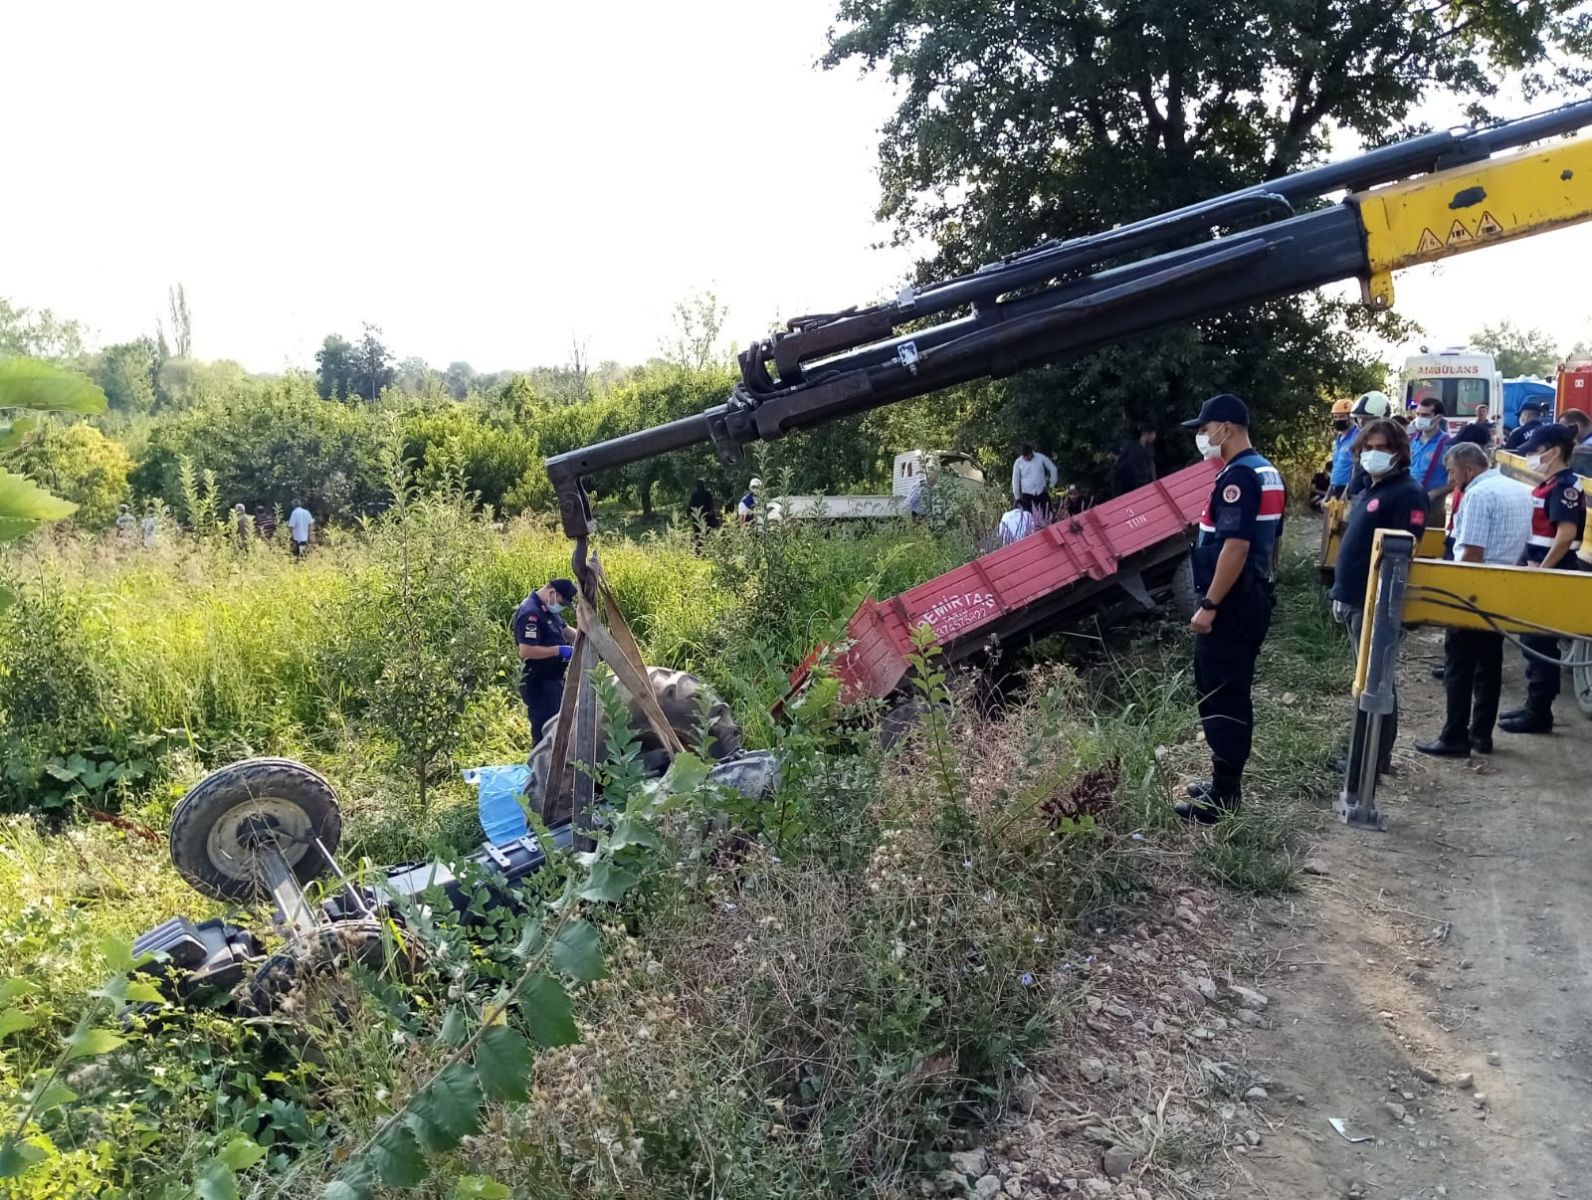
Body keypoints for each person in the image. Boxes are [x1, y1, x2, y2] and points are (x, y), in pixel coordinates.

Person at [1174, 394, 1284, 823]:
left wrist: (1209, 605)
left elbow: (1235, 546)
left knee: (1222, 695)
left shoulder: (1239, 477)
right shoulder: (1266, 471)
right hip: (1252, 597)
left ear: (1226, 428)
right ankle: (1223, 781)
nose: (1202, 437)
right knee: (1230, 691)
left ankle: (1223, 796)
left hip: (1232, 605)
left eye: (1205, 429)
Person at [1414, 442, 1532, 758]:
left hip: (1474, 590)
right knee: (1489, 664)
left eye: (1452, 473)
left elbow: (1472, 553)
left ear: (1469, 469)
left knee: (1459, 665)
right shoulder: (1518, 489)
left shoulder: (1479, 495)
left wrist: (1454, 595)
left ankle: (1454, 737)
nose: (1452, 480)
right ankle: (1481, 734)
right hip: (1504, 587)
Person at [1328, 419, 1428, 777]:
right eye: (1368, 446)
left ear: (1399, 452)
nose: (1374, 454)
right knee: (1367, 680)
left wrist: (1376, 602)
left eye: (1383, 448)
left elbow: (1401, 555)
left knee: (1376, 682)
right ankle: (1366, 751)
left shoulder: (1407, 493)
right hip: (1356, 598)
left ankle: (1371, 758)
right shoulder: (1373, 487)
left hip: (1376, 603)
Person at [1499, 423, 1586, 735]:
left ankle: (1539, 714)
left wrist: (1542, 570)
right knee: (1532, 643)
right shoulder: (1549, 483)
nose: (1533, 457)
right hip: (1540, 569)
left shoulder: (1565, 488)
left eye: (1536, 451)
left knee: (1541, 647)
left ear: (1554, 451)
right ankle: (1533, 707)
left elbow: (1566, 536)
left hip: (1553, 573)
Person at [514, 578, 579, 743]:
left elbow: (565, 631)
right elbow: (525, 650)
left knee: (557, 728)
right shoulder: (531, 613)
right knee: (545, 733)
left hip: (554, 680)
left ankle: (555, 766)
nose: (561, 607)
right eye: (561, 603)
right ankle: (541, 767)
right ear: (552, 593)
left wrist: (585, 639)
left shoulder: (549, 610)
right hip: (539, 683)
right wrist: (558, 651)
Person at [1408, 396, 1454, 516]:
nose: (1419, 418)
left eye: (1425, 415)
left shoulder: (1447, 444)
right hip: (1407, 499)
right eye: (1418, 414)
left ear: (1438, 418)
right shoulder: (1411, 440)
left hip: (1432, 504)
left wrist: (1434, 493)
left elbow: (1457, 481)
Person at [1345, 390, 1393, 498]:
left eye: (1366, 419)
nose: (1361, 423)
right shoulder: (1361, 443)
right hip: (1357, 497)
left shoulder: (1390, 447)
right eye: (1359, 419)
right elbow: (1356, 473)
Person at [1011, 443, 1058, 518]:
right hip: (1027, 494)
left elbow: (1053, 469)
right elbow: (1015, 480)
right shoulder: (1018, 462)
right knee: (1029, 519)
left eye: (1028, 455)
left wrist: (1051, 484)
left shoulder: (1040, 457)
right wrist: (1017, 497)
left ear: (1031, 452)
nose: (1026, 457)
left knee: (1049, 516)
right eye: (1024, 456)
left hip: (1041, 491)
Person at [1111, 425, 1157, 497]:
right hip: (1131, 482)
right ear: (1145, 434)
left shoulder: (1150, 447)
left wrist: (1154, 480)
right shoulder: (1132, 446)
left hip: (1144, 480)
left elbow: (1151, 463)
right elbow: (1120, 460)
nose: (1154, 437)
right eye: (1152, 434)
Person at [1327, 399, 1356, 498]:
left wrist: (1347, 493)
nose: (1338, 420)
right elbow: (1336, 468)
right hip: (1336, 490)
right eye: (1335, 417)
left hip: (1348, 492)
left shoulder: (1357, 436)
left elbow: (1355, 468)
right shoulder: (1338, 440)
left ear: (1351, 417)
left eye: (1342, 416)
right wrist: (1327, 496)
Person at [687, 479, 720, 551]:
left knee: (698, 534)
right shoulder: (708, 494)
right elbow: (711, 506)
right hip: (707, 518)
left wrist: (688, 513)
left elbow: (690, 506)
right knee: (707, 534)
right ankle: (708, 550)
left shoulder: (694, 495)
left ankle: (699, 551)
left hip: (697, 519)